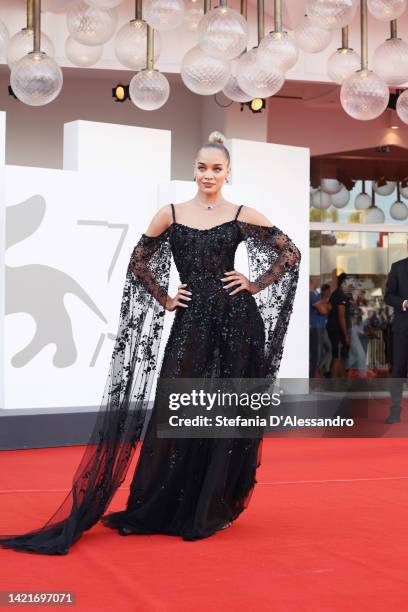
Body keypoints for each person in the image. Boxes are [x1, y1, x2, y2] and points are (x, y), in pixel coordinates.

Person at [0, 132, 301, 555]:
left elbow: (289, 254)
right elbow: (138, 262)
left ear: (228, 172)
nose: (208, 174)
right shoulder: (171, 213)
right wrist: (166, 297)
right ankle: (164, 505)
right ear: (193, 170)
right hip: (192, 321)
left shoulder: (241, 214)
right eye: (202, 167)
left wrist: (253, 284)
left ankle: (208, 505)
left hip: (236, 323)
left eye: (216, 168)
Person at [384, 253, 408, 424]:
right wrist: (403, 303)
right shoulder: (398, 267)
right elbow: (388, 295)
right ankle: (395, 410)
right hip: (402, 328)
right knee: (398, 370)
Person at [326, 273, 352, 379]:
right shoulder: (340, 296)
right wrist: (345, 335)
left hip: (334, 329)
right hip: (337, 330)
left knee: (339, 357)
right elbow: (341, 317)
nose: (351, 286)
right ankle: (332, 383)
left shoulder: (336, 294)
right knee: (336, 356)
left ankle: (342, 380)